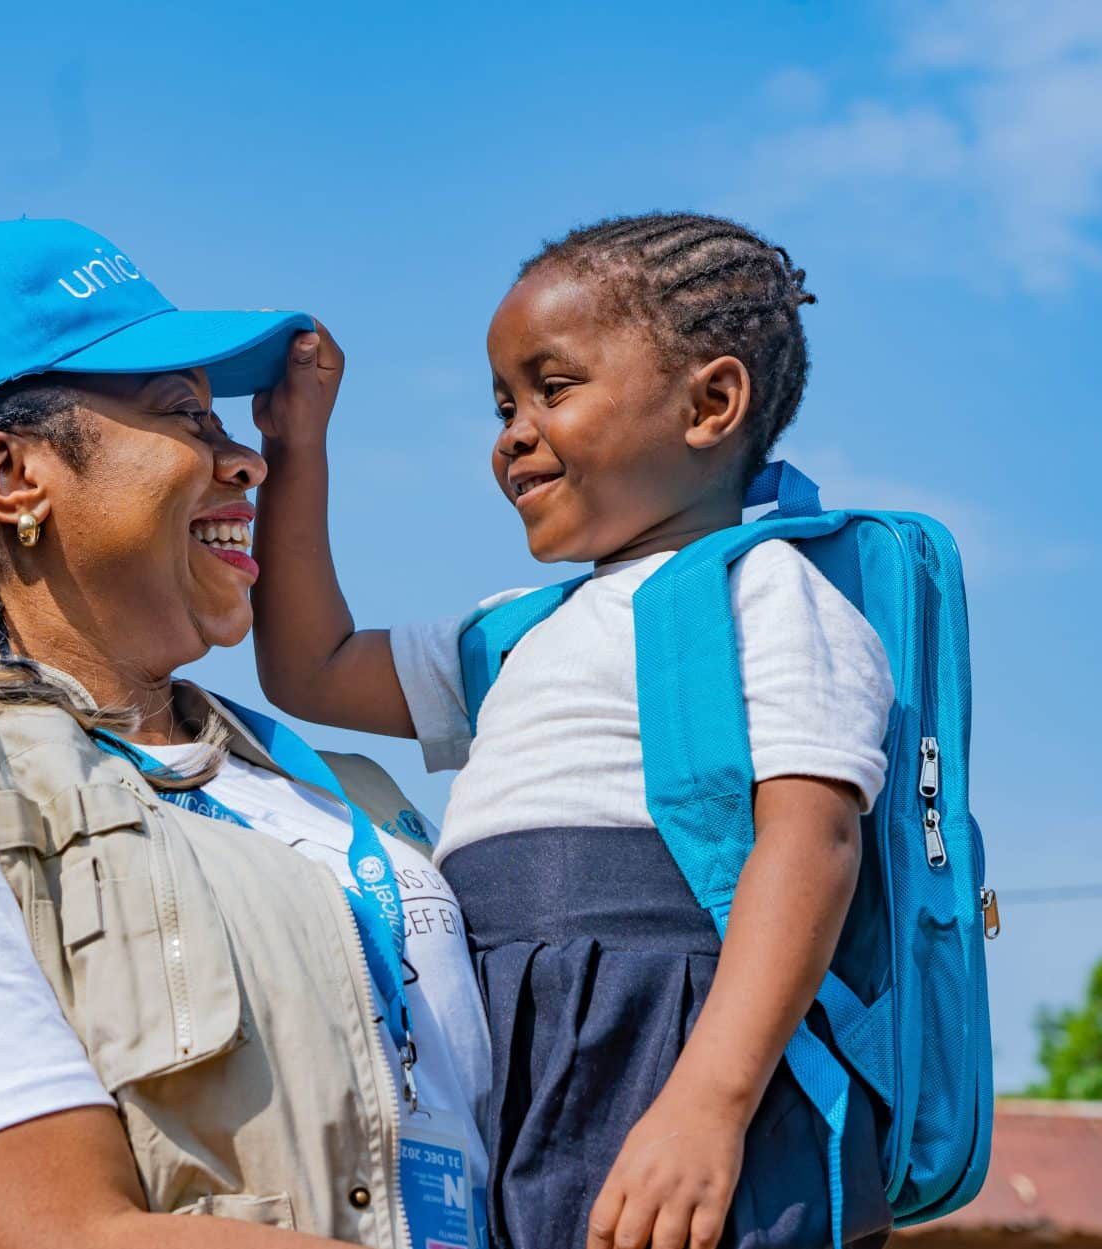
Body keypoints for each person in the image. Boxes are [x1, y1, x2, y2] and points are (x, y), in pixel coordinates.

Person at [0, 218, 490, 1249]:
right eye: (184, 417)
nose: (245, 459)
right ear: (11, 477)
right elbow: (45, 1234)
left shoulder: (344, 797)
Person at [251, 213, 897, 1249]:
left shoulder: (763, 588)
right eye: (502, 402)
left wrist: (708, 1103)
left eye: (552, 387)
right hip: (507, 1051)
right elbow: (309, 665)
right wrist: (296, 448)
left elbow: (809, 841)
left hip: (659, 1045)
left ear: (711, 403)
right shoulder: (516, 631)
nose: (510, 430)